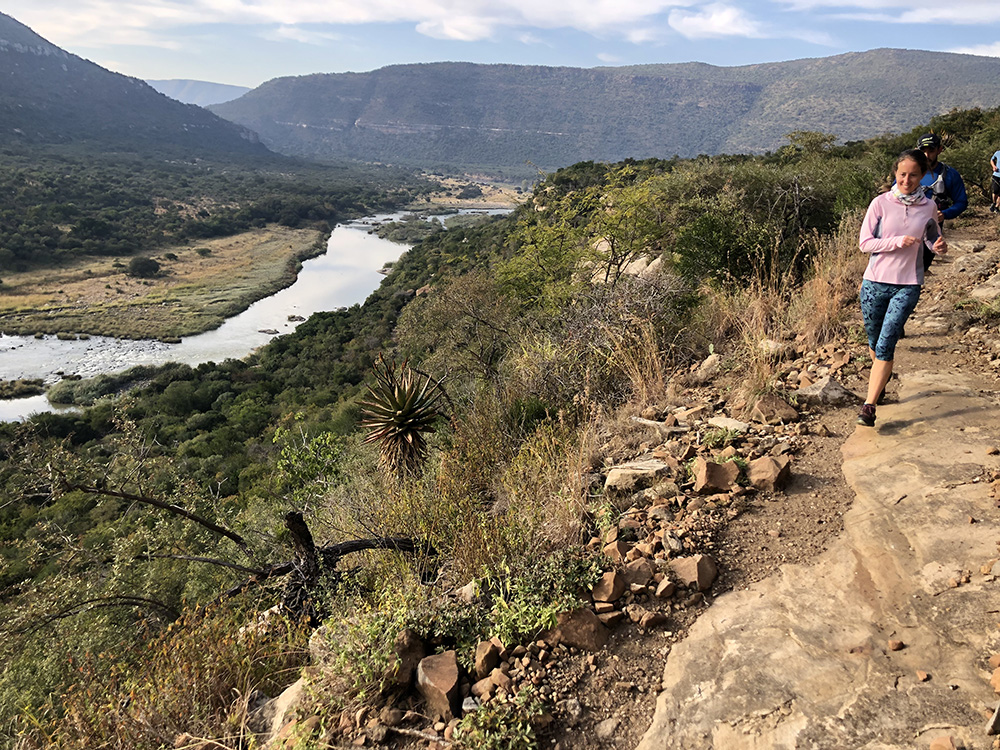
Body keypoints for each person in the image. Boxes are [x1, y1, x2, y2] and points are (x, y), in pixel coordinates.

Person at [857, 148, 947, 427]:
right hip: (874, 282)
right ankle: (879, 384)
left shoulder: (929, 207)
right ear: (895, 174)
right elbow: (865, 243)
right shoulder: (880, 204)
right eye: (902, 174)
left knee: (886, 344)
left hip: (907, 284)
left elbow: (932, 238)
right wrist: (896, 242)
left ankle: (869, 406)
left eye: (913, 175)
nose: (907, 180)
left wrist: (939, 246)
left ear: (923, 176)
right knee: (874, 342)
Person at [916, 132, 966, 271]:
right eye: (923, 150)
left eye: (931, 150)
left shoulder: (949, 174)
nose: (926, 155)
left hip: (933, 228)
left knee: (922, 266)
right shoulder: (908, 171)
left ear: (939, 149)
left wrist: (944, 214)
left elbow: (961, 202)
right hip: (907, 226)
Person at [990, 147, 1000, 214]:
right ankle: (993, 203)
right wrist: (993, 166)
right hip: (996, 175)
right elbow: (991, 160)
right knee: (995, 190)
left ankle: (997, 207)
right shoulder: (998, 153)